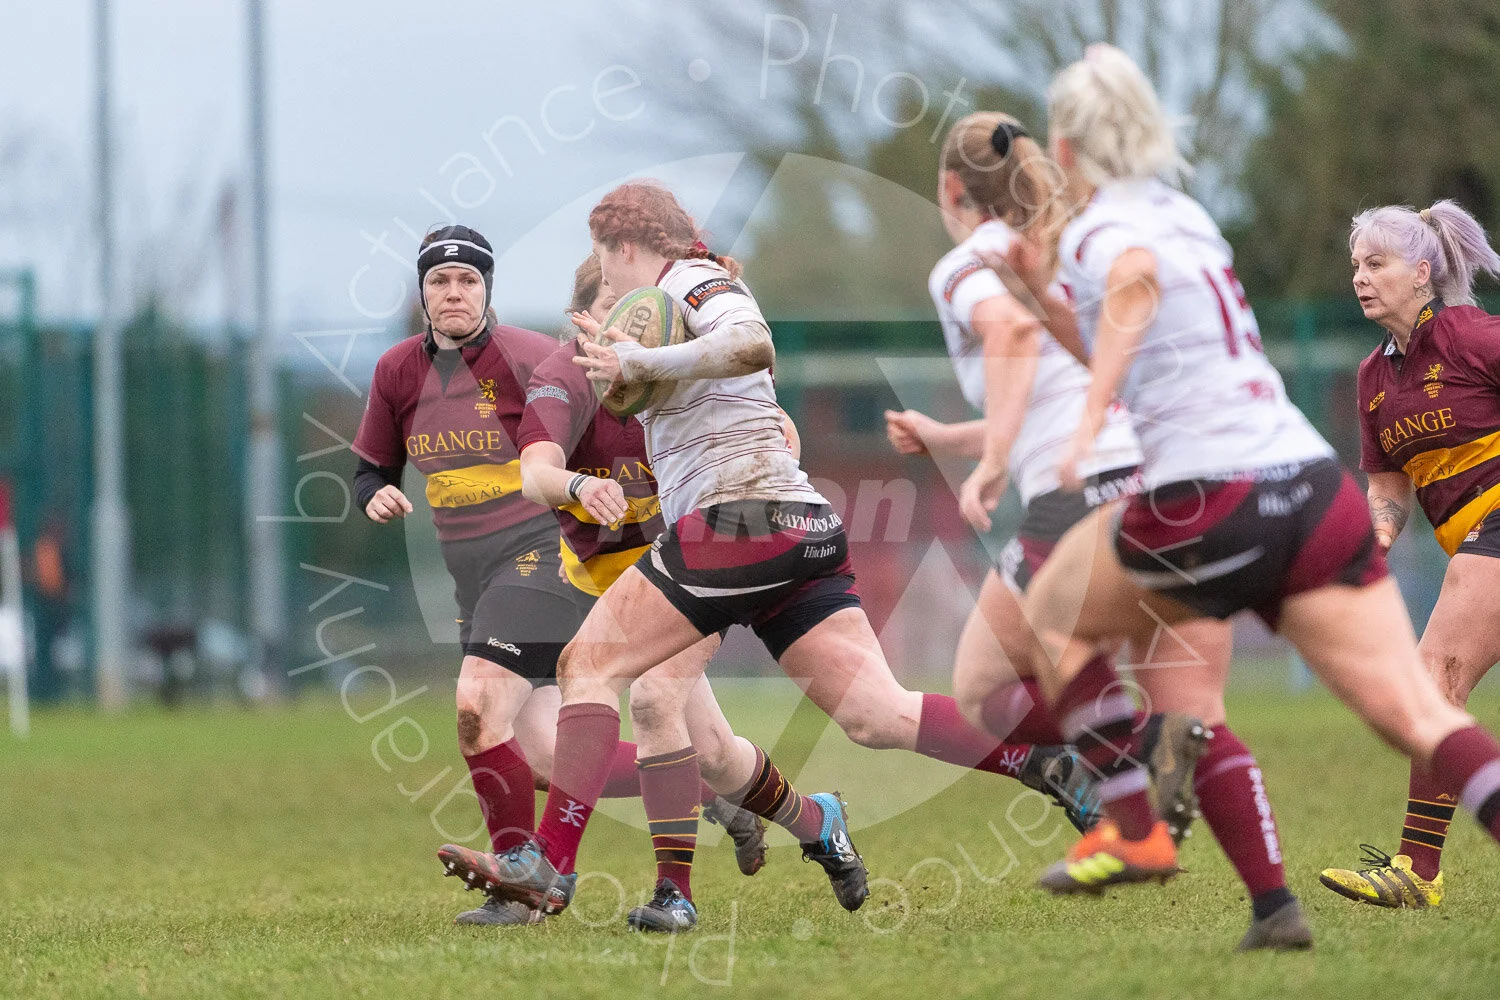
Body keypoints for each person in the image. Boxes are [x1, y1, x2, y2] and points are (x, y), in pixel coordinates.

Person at [437, 182, 1116, 923]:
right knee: (875, 714)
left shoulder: (692, 279)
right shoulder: (655, 320)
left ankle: (551, 868)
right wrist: (639, 368)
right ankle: (1043, 758)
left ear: (626, 247)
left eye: (606, 258)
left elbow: (752, 341)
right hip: (799, 525)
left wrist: (647, 364)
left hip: (741, 520)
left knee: (588, 666)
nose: (609, 278)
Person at [999, 44, 1500, 952]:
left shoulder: (1098, 230)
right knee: (1419, 708)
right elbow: (1136, 305)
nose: (1358, 274)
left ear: (1066, 150)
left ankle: (1133, 824)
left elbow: (1134, 284)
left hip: (1208, 493)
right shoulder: (1189, 212)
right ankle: (1278, 907)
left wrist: (1078, 435)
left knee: (1052, 616)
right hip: (1312, 490)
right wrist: (1041, 296)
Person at [890, 109, 1308, 950]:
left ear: (950, 189)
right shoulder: (1071, 246)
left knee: (981, 685)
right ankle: (1276, 908)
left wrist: (993, 460)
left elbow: (1009, 336)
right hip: (1160, 480)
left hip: (1078, 496)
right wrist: (955, 439)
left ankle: (1124, 780)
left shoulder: (971, 261)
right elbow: (1062, 384)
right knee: (1193, 713)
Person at [353, 226, 760, 927]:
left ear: (487, 289)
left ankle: (520, 889)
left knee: (477, 707)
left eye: (468, 280)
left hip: (539, 558)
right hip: (471, 579)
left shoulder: (529, 358)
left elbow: (620, 414)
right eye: (440, 281)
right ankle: (699, 784)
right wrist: (374, 494)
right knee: (539, 754)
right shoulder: (397, 371)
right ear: (422, 292)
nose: (454, 292)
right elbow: (371, 468)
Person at [508, 254, 835, 931]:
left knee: (657, 702)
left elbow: (770, 436)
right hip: (605, 584)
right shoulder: (564, 378)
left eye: (639, 307)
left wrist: (773, 449)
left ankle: (668, 894)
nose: (629, 325)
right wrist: (576, 486)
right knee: (712, 753)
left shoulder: (681, 370)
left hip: (692, 565)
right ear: (585, 322)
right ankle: (815, 819)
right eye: (613, 309)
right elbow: (533, 473)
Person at [1318, 200, 1500, 909]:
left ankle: (1417, 872)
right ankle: (1417, 873)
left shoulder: (1471, 336)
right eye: (1356, 266)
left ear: (1422, 272)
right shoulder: (1373, 378)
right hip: (1477, 544)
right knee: (1433, 694)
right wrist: (1379, 536)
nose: (1361, 278)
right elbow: (1388, 483)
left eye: (1377, 263)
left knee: (1431, 686)